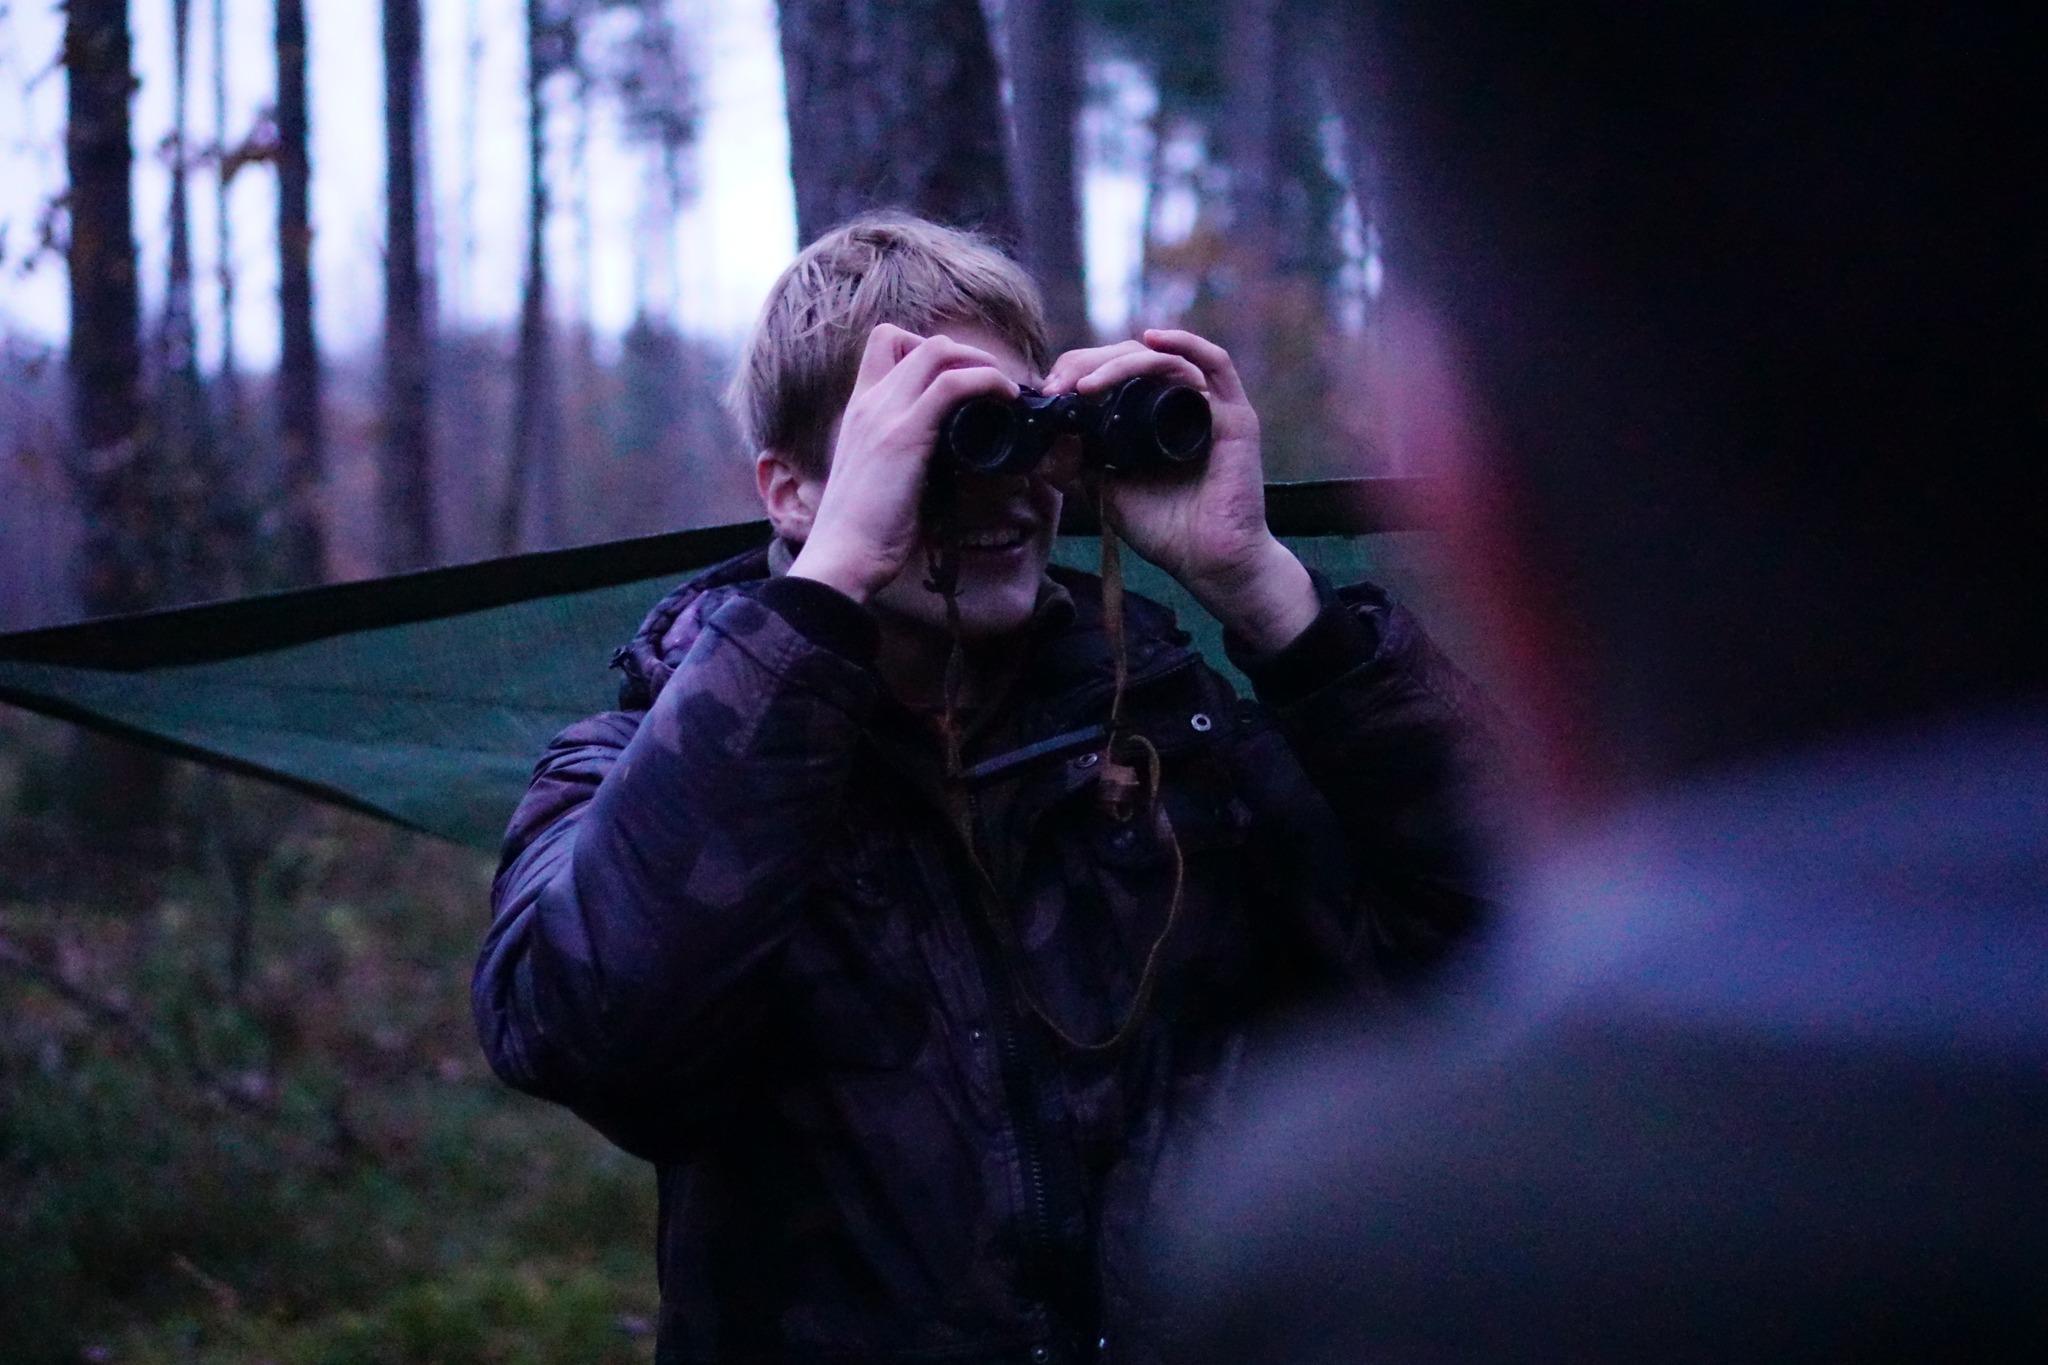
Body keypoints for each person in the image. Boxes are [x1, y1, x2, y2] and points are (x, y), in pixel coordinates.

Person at [1154, 5, 2047, 1360]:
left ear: (1484, 524)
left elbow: (1466, 926)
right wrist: (826, 618)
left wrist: (1271, 597)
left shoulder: (1405, 1254)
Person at [470, 213, 1493, 1363]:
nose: (1003, 492)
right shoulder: (633, 772)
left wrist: (1261, 587)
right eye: (941, 442)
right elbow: (587, 1040)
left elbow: (1504, 952)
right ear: (792, 490)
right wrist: (828, 584)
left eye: (1015, 428)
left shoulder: (1177, 740)